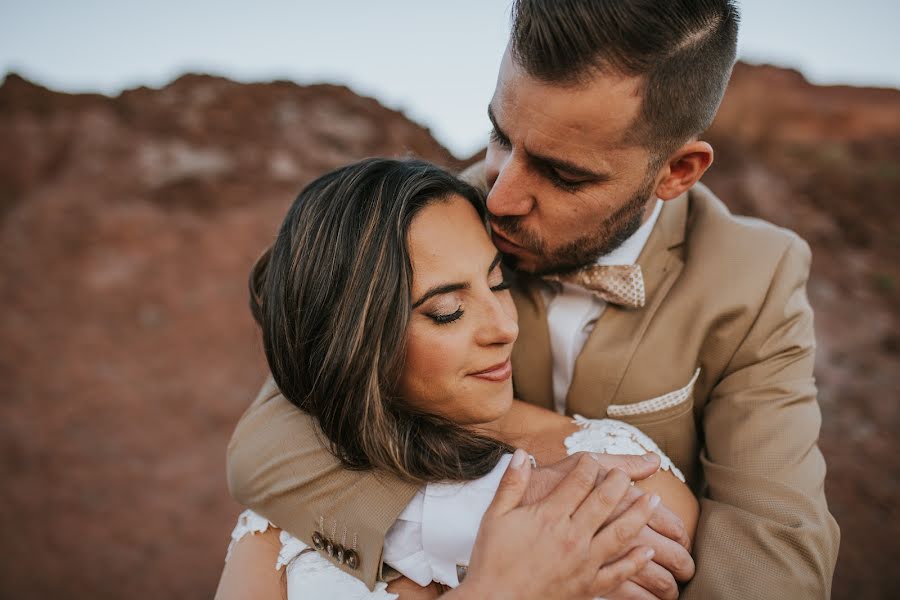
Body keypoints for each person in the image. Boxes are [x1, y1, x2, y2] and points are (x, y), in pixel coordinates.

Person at [228, 1, 840, 598]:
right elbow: (265, 445)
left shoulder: (757, 276)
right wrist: (472, 511)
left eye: (564, 174)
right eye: (500, 135)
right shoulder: (435, 225)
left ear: (676, 171)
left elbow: (776, 552)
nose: (500, 198)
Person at [215, 158, 698, 599]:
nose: (505, 328)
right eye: (447, 311)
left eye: (497, 283)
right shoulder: (285, 514)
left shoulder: (618, 481)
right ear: (353, 342)